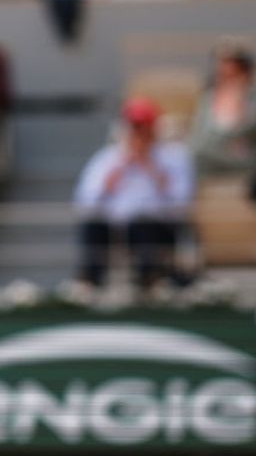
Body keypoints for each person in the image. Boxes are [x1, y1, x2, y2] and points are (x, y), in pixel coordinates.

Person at [74, 98, 194, 289]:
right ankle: (89, 283)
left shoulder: (174, 157)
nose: (138, 134)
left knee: (142, 226)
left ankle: (151, 281)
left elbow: (180, 203)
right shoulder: (107, 158)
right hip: (115, 226)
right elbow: (86, 202)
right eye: (134, 127)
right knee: (93, 226)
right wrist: (116, 173)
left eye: (143, 127)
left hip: (155, 225)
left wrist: (150, 167)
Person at [190, 45, 256, 177]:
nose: (224, 68)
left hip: (241, 156)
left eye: (231, 63)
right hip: (207, 155)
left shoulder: (251, 97)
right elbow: (198, 133)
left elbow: (249, 129)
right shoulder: (209, 98)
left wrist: (239, 100)